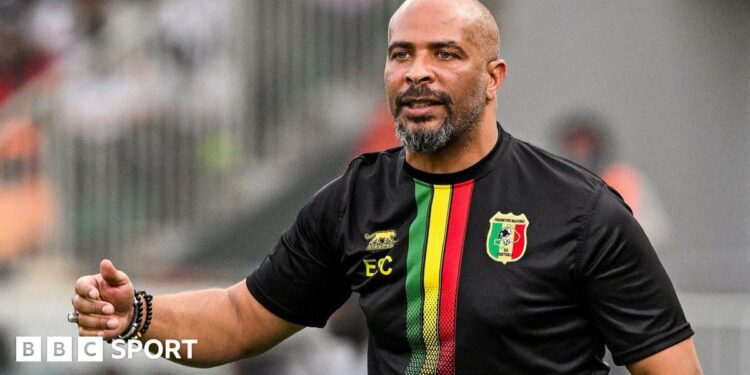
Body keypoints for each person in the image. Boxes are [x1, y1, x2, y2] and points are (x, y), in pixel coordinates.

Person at [71, 0, 703, 373]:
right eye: (401, 54)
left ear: (493, 77)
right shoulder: (353, 200)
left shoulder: (582, 208)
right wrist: (138, 315)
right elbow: (241, 317)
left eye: (445, 54)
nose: (418, 72)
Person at [555, 111, 672, 249]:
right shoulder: (553, 183)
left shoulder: (626, 180)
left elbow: (655, 230)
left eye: (586, 145)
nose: (581, 152)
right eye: (575, 144)